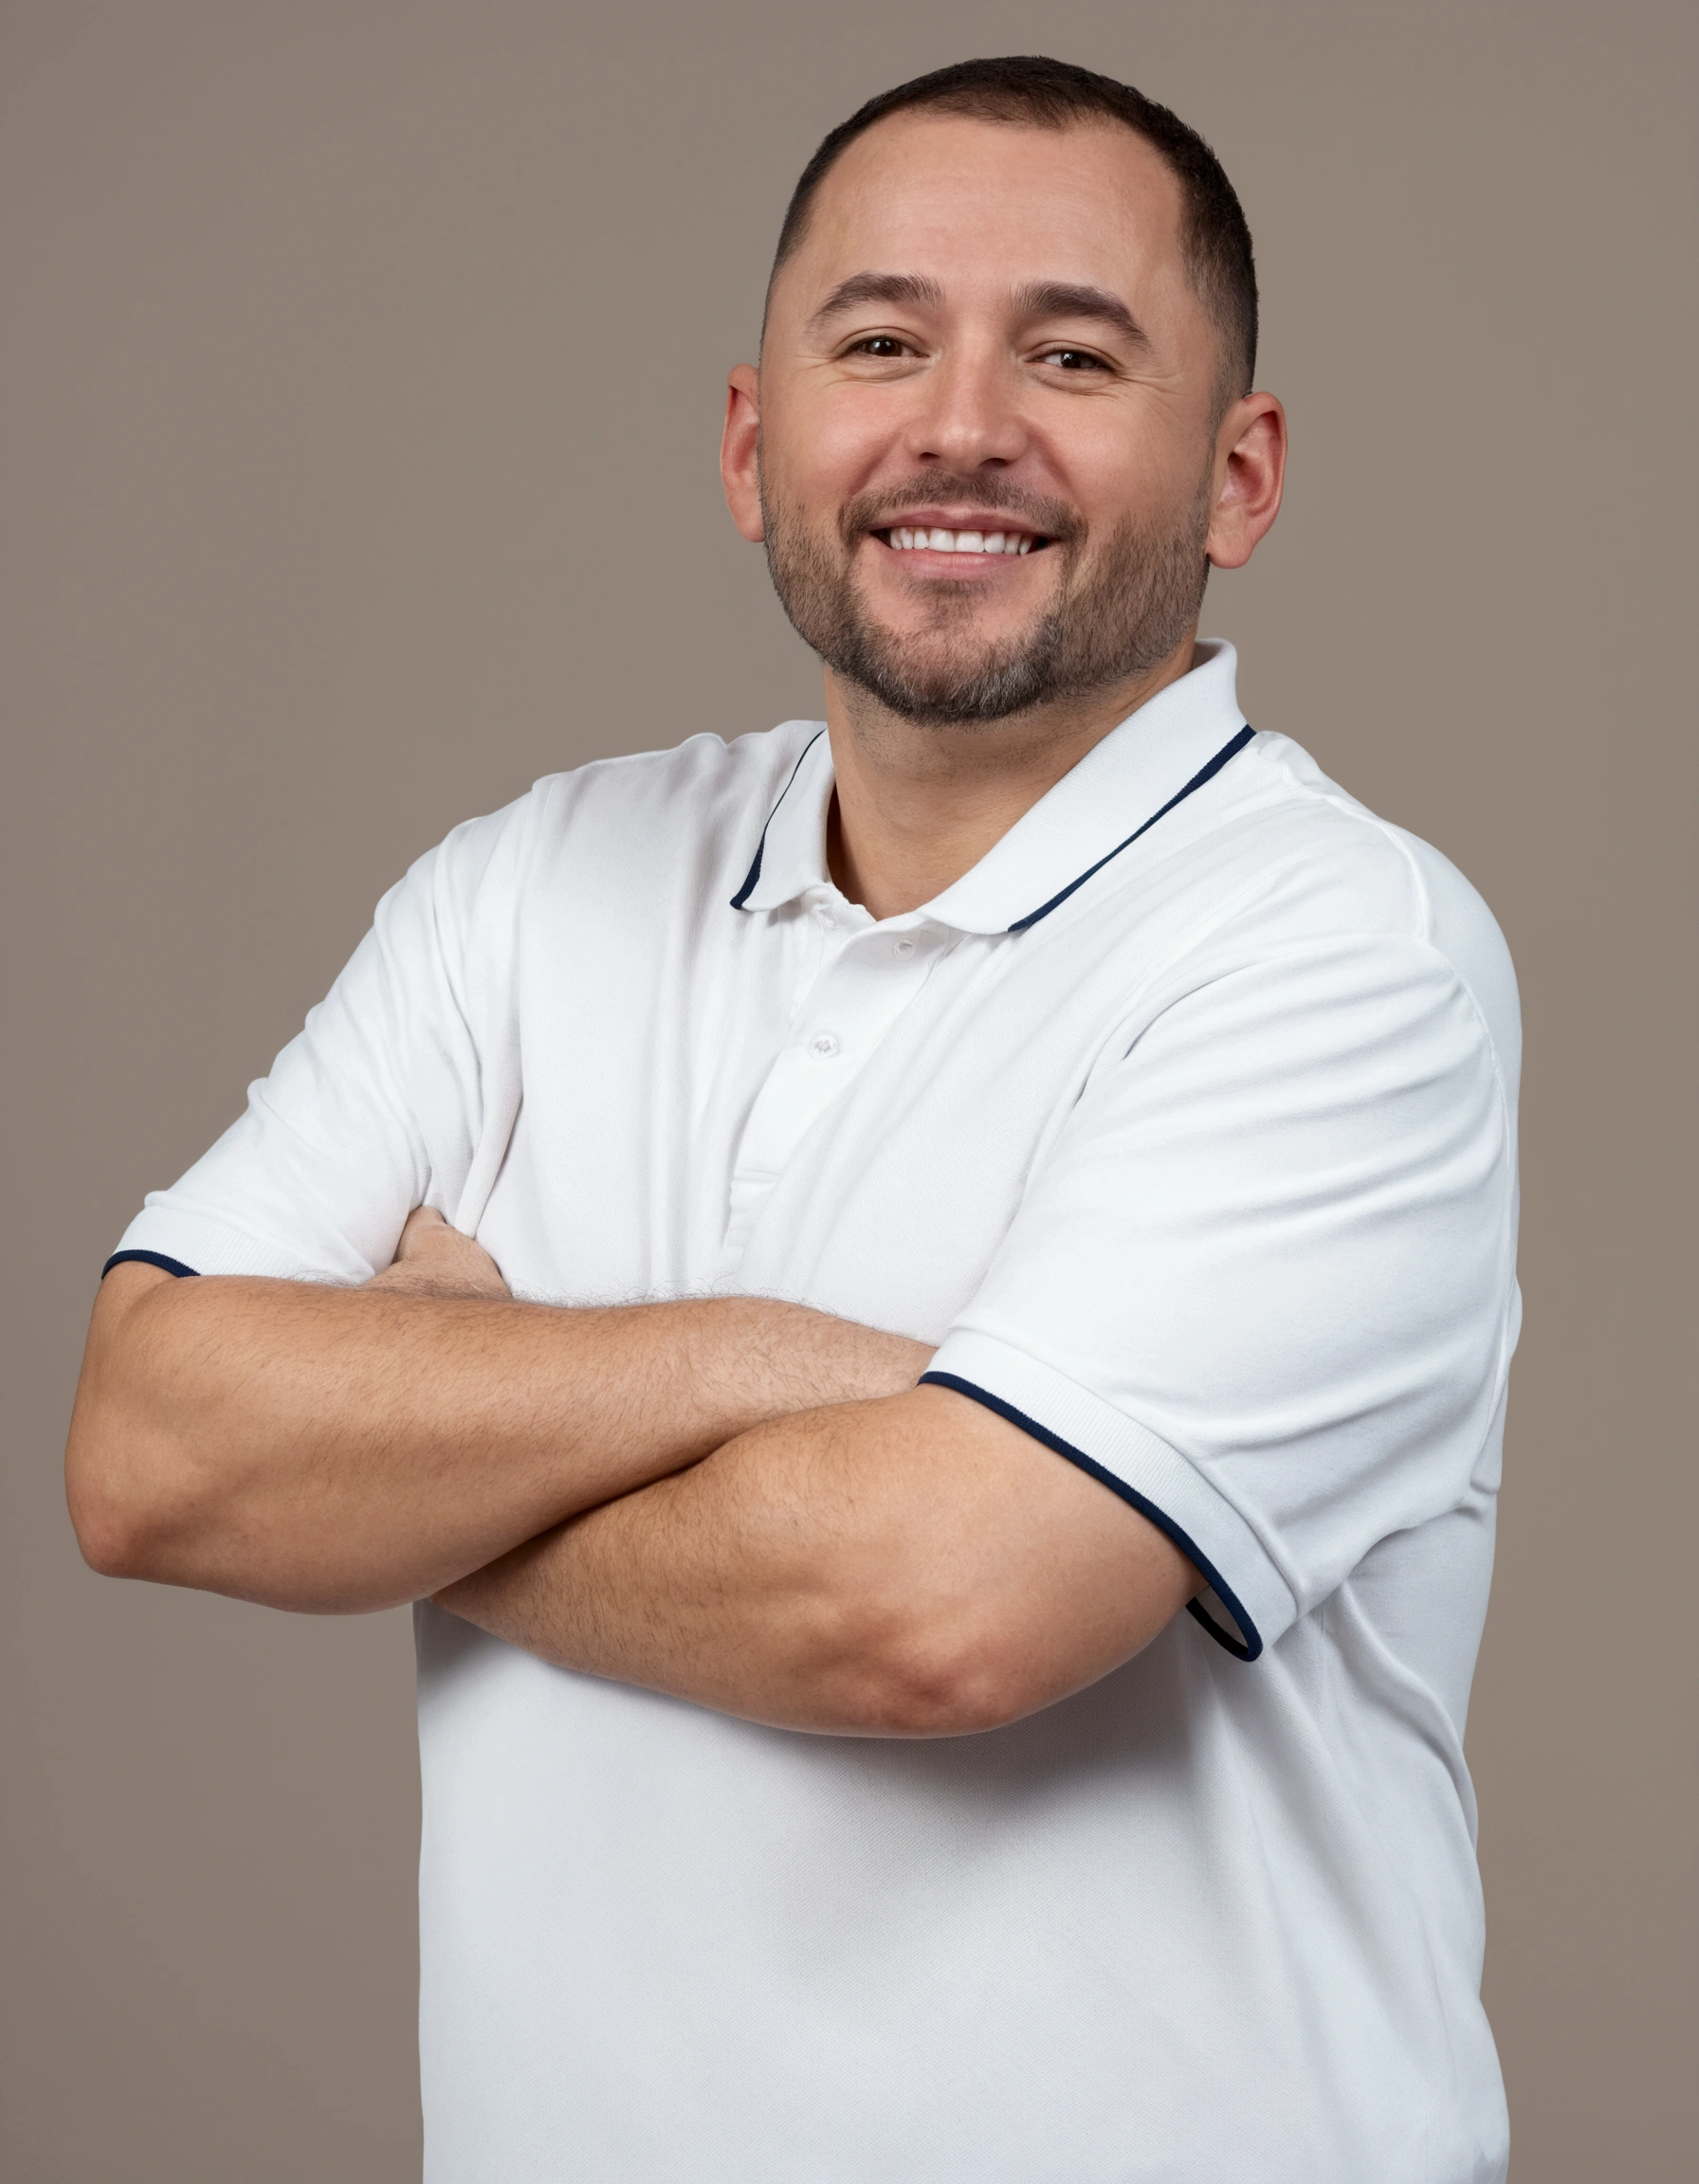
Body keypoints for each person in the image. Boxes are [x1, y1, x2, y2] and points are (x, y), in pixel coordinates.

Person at [65, 53, 1518, 2184]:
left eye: (1072, 352)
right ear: (756, 448)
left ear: (1239, 475)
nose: (957, 425)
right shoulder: (534, 882)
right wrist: (763, 1364)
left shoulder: (1332, 950)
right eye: (878, 340)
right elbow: (144, 1457)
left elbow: (931, 1610)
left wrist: (420, 1433)